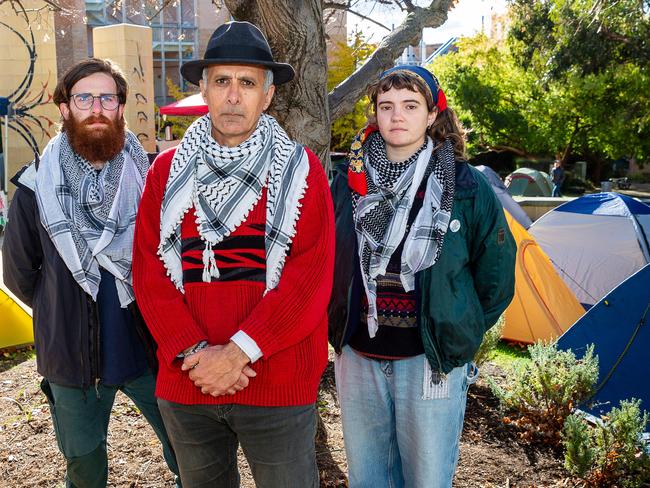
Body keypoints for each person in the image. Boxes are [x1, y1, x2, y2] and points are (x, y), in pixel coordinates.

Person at [132, 21, 335, 487]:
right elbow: (148, 269)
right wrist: (196, 353)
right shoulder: (166, 171)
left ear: (267, 95)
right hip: (189, 380)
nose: (233, 95)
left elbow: (309, 280)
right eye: (222, 81)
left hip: (277, 379)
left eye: (247, 83)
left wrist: (238, 353)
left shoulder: (300, 172)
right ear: (203, 88)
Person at [328, 65, 516, 488]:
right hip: (359, 355)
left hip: (430, 360)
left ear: (432, 115)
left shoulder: (465, 185)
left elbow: (496, 277)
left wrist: (456, 326)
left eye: (410, 106)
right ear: (375, 113)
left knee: (427, 479)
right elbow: (329, 262)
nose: (397, 116)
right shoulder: (346, 181)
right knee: (369, 478)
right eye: (387, 106)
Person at [2, 58, 180, 487]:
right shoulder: (34, 188)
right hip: (70, 357)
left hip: (150, 347)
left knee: (187, 454)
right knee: (84, 469)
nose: (96, 107)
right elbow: (20, 274)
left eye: (107, 98)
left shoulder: (155, 177)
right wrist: (59, 309)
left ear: (121, 107)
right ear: (64, 108)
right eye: (84, 98)